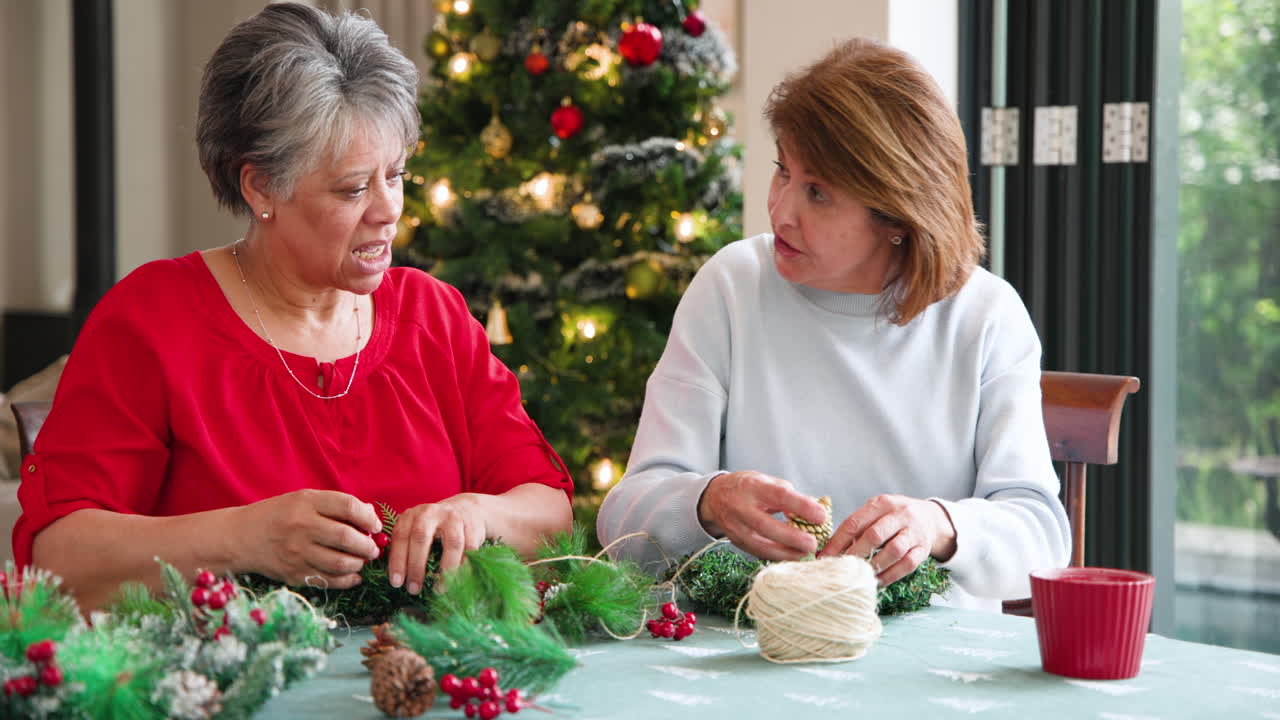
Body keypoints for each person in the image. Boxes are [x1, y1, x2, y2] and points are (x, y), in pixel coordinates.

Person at [13, 3, 572, 610]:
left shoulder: (433, 317)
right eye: (354, 187)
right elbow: (59, 560)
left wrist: (476, 515)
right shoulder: (151, 321)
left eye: (397, 173)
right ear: (260, 188)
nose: (388, 209)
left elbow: (549, 512)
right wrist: (242, 538)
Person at [597, 38, 1070, 611]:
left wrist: (939, 525)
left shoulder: (985, 317)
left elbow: (1042, 537)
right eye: (782, 172)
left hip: (930, 674)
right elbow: (623, 519)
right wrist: (707, 501)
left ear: (899, 215)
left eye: (817, 192)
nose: (780, 210)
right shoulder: (730, 287)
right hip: (754, 646)